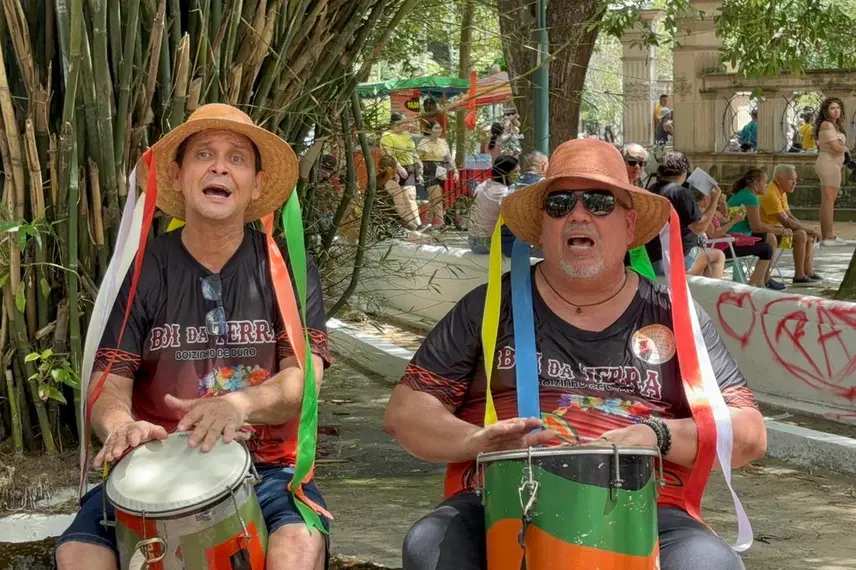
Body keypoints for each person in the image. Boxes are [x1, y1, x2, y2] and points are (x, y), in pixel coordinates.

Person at [385, 139, 766, 570]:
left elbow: (748, 433)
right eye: (560, 203)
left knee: (709, 565)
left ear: (629, 223)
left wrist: (657, 436)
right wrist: (474, 440)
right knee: (431, 546)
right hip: (505, 502)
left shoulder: (675, 315)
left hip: (645, 506)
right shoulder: (489, 306)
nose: (578, 214)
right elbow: (405, 413)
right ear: (542, 226)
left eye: (600, 202)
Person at [54, 105, 332, 570]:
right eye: (204, 154)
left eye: (237, 158)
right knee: (79, 553)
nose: (220, 166)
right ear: (179, 177)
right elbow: (108, 384)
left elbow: (304, 384)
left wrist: (238, 404)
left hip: (267, 471)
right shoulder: (144, 270)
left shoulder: (287, 270)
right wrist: (122, 427)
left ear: (258, 185)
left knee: (298, 547)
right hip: (157, 465)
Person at [644, 152, 725, 279]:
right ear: (685, 172)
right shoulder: (681, 193)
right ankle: (710, 298)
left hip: (650, 258)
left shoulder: (651, 189)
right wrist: (714, 200)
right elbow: (699, 228)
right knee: (718, 256)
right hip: (674, 260)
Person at [759, 164, 822, 285]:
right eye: (791, 179)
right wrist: (811, 230)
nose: (794, 183)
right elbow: (786, 222)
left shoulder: (781, 191)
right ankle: (799, 276)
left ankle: (807, 272)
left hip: (779, 229)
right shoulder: (771, 193)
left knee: (807, 234)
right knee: (801, 234)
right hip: (769, 232)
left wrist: (810, 229)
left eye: (795, 179)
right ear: (778, 179)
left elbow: (790, 216)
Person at [726, 168, 787, 291]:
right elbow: (757, 226)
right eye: (765, 182)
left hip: (736, 236)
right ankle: (758, 282)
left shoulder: (744, 194)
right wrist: (779, 230)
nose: (766, 185)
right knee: (768, 246)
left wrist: (774, 230)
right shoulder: (750, 198)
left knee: (770, 237)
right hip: (735, 240)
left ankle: (765, 278)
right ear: (755, 184)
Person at [698, 189, 773, 288]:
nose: (714, 201)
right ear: (705, 198)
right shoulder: (702, 214)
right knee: (766, 249)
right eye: (711, 198)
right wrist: (734, 221)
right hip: (720, 247)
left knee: (765, 247)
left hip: (725, 243)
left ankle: (757, 282)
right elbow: (714, 234)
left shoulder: (711, 211)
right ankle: (754, 283)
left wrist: (724, 205)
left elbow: (725, 219)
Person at [467, 156, 520, 254]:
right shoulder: (503, 193)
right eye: (516, 172)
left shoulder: (483, 185)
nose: (519, 175)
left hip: (471, 241)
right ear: (506, 173)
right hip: (487, 244)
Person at [814, 97, 848, 245]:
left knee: (829, 200)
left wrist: (842, 147)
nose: (836, 111)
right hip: (828, 164)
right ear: (826, 111)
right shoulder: (827, 125)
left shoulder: (836, 126)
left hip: (834, 165)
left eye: (838, 108)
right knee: (828, 200)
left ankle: (829, 234)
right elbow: (836, 147)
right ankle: (828, 236)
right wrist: (845, 148)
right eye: (832, 108)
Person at [417, 120, 459, 229]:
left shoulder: (443, 142)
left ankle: (427, 223)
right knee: (437, 197)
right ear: (429, 130)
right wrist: (420, 170)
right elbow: (416, 157)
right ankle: (441, 223)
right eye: (436, 128)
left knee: (433, 198)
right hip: (428, 169)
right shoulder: (424, 142)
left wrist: (455, 170)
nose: (439, 130)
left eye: (440, 128)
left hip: (440, 169)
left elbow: (449, 157)